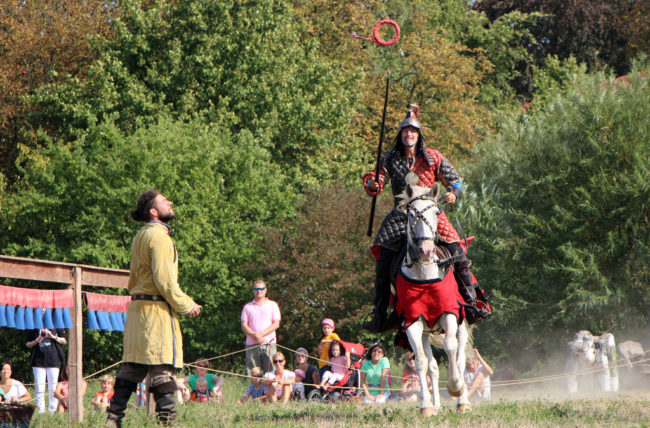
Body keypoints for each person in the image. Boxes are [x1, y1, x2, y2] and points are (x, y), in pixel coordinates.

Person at [362, 103, 489, 332]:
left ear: (419, 135)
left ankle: (471, 303)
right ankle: (380, 314)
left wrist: (453, 193)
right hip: (401, 215)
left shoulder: (433, 157)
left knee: (457, 252)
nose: (408, 135)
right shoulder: (390, 158)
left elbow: (456, 181)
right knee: (383, 263)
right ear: (400, 135)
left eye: (412, 131)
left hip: (431, 214)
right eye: (404, 131)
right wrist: (373, 183)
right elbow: (377, 181)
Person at [105, 189, 202, 428]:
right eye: (163, 201)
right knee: (161, 368)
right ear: (153, 211)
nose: (170, 202)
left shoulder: (141, 235)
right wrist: (186, 304)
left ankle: (113, 419)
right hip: (156, 310)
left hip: (139, 310)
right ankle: (169, 422)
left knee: (133, 366)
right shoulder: (159, 237)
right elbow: (164, 280)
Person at [241, 280, 281, 375]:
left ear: (265, 290)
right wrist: (255, 336)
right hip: (251, 344)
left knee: (271, 371)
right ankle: (255, 390)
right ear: (253, 291)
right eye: (256, 289)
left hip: (269, 343)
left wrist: (261, 334)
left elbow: (276, 323)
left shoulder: (272, 305)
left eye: (261, 288)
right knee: (253, 372)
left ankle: (271, 390)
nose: (259, 291)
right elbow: (244, 325)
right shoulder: (247, 307)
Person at [25, 327, 66, 413]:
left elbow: (64, 340)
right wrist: (37, 340)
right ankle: (40, 411)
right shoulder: (33, 324)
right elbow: (28, 344)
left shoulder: (56, 322)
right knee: (39, 387)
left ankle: (52, 410)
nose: (42, 312)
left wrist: (52, 336)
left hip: (54, 360)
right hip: (38, 361)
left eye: (44, 312)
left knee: (53, 388)